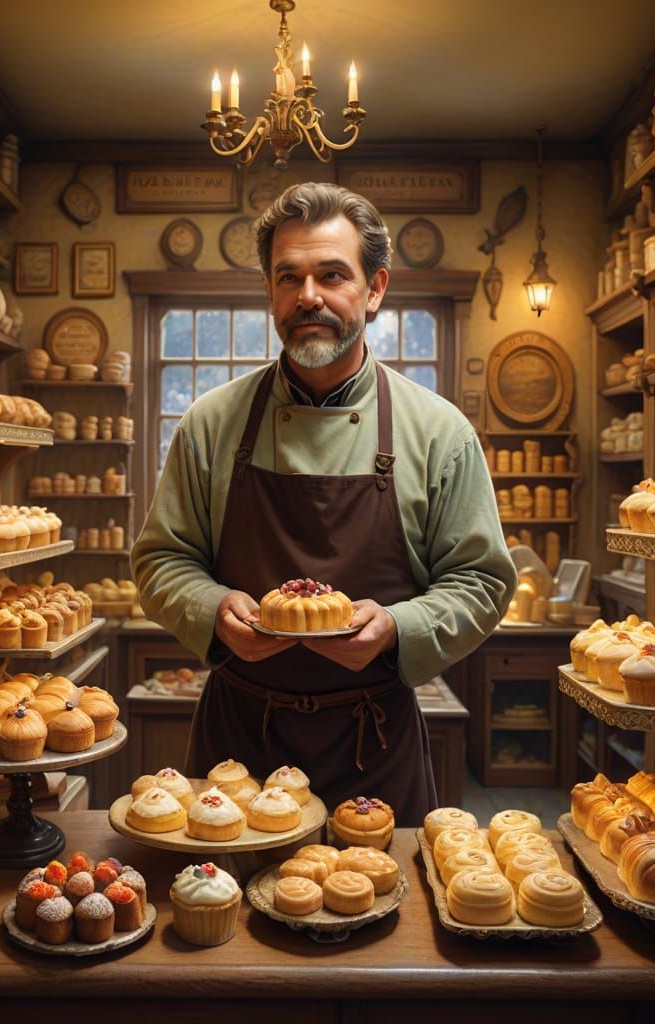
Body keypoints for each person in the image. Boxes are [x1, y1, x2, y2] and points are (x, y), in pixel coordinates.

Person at [131, 182, 516, 823]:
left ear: (375, 289)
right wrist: (210, 607)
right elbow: (161, 561)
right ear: (271, 292)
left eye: (332, 275)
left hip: (375, 742)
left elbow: (481, 581)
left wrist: (399, 628)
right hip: (238, 749)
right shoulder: (210, 423)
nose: (308, 296)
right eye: (289, 277)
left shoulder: (439, 432)